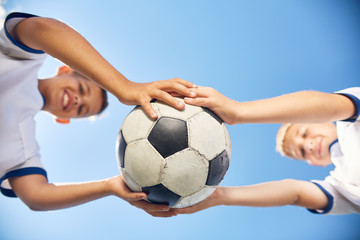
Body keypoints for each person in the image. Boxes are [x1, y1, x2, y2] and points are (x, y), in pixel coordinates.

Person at [0, 12, 196, 212]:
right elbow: (43, 28)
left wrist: (108, 186)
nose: (78, 99)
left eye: (81, 109)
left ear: (63, 120)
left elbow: (35, 196)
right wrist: (123, 87)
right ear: (65, 70)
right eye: (82, 89)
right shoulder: (20, 56)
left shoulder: (23, 150)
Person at [148, 86, 359, 217]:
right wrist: (219, 196)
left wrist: (238, 112)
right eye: (303, 152)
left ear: (321, 119)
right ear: (315, 164)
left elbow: (327, 105)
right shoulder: (341, 187)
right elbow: (294, 193)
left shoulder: (352, 122)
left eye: (305, 133)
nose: (309, 145)